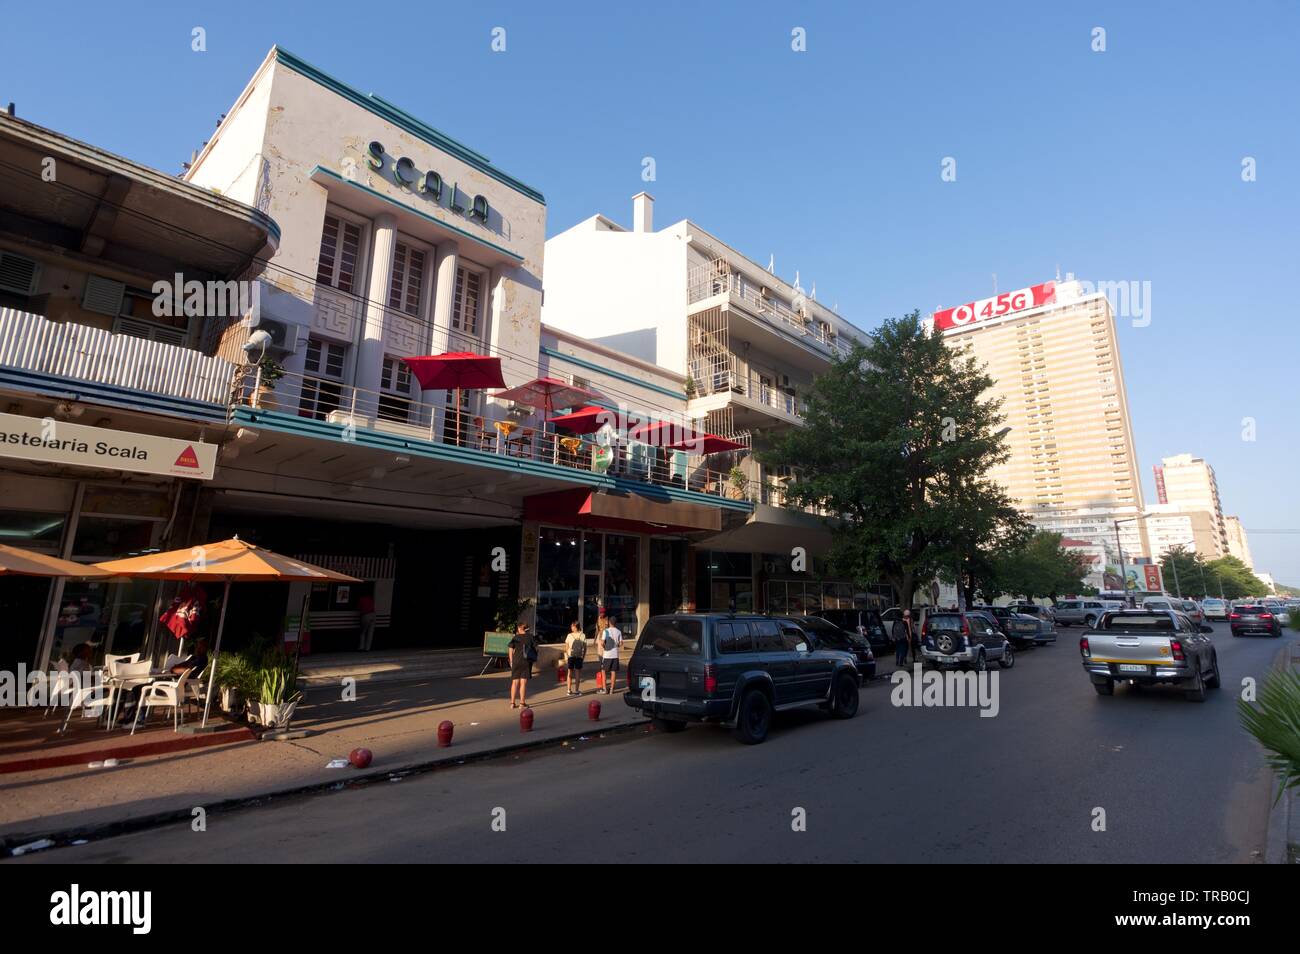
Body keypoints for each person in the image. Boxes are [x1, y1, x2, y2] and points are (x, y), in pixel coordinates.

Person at [507, 623, 537, 709]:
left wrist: (511, 660)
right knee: (523, 683)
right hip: (526, 662)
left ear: (520, 628)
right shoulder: (530, 637)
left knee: (515, 682)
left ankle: (512, 703)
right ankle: (522, 703)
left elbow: (510, 648)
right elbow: (536, 647)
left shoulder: (516, 637)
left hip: (516, 661)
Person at [597, 613, 623, 695]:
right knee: (613, 672)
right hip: (615, 654)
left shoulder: (606, 631)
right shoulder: (619, 632)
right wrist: (617, 645)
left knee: (603, 671)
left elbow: (602, 642)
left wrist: (604, 646)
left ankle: (604, 689)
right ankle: (612, 689)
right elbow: (621, 643)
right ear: (615, 623)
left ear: (609, 622)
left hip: (607, 654)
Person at [564, 621, 587, 695]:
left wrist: (568, 655)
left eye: (572, 626)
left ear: (575, 627)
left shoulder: (569, 635)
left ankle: (568, 690)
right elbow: (585, 648)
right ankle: (577, 690)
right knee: (577, 674)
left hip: (571, 656)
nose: (571, 627)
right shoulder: (583, 635)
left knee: (569, 673)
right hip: (579, 656)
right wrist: (583, 657)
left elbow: (566, 647)